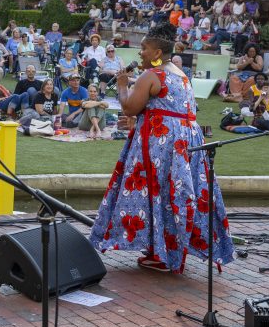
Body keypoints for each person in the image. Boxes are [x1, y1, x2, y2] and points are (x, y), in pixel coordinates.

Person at [90, 23, 233, 273]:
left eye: (144, 48)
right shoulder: (181, 74)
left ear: (157, 53)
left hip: (161, 145)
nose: (140, 52)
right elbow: (168, 109)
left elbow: (129, 107)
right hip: (186, 144)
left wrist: (122, 85)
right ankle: (166, 250)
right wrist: (141, 119)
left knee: (158, 193)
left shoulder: (151, 75)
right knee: (173, 195)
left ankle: (162, 253)